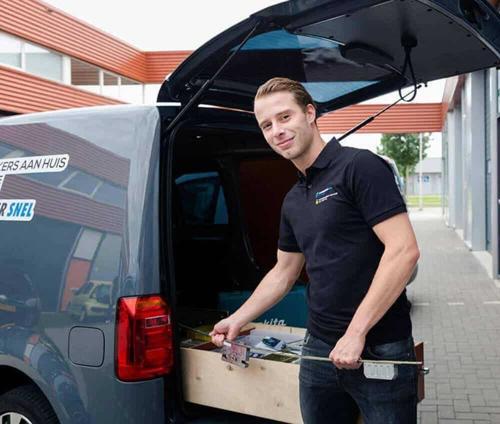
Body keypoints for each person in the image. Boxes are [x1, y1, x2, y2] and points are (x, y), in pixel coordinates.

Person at [210, 77, 420, 424]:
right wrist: (238, 319)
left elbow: (404, 251)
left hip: (380, 347)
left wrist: (356, 333)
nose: (277, 131)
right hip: (319, 348)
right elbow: (283, 273)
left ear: (309, 113)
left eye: (284, 117)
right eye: (267, 125)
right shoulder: (294, 200)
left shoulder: (360, 167)